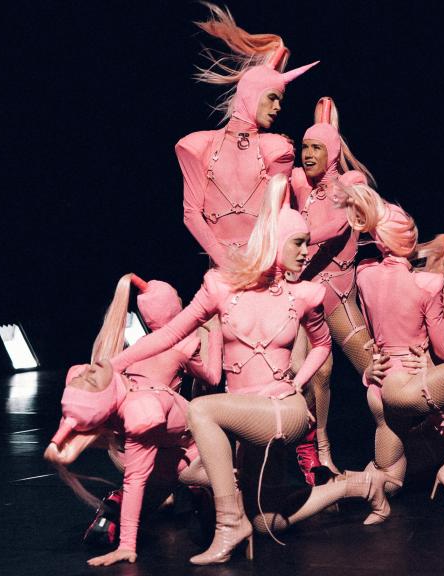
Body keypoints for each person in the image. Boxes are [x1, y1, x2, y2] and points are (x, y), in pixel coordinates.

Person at [108, 174, 341, 565]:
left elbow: (323, 345)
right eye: (299, 243)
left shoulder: (305, 295)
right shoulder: (220, 287)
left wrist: (297, 383)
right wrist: (113, 364)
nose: (306, 253)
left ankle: (229, 524)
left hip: (286, 411)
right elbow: (168, 335)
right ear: (274, 241)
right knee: (266, 518)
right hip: (245, 418)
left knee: (201, 409)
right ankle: (362, 485)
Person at [339, 183, 444, 514]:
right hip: (405, 388)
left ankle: (330, 493)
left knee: (389, 480)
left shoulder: (364, 274)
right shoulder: (428, 284)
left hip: (379, 390)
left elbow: (374, 331)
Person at [44, 275, 221, 566]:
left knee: (154, 483)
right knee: (192, 457)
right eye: (177, 295)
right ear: (173, 306)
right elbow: (213, 377)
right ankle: (202, 496)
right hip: (160, 437)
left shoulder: (137, 346)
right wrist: (213, 332)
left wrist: (62, 438)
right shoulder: (182, 345)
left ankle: (122, 503)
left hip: (125, 446)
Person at [178, 3, 317, 268]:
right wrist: (228, 266)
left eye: (280, 100)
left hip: (263, 271)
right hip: (222, 275)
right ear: (252, 95)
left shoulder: (276, 149)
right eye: (273, 98)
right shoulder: (197, 145)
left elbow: (279, 216)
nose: (278, 107)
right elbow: (191, 213)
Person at [289, 96, 376, 476]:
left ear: (333, 151)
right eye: (305, 147)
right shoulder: (297, 183)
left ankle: (410, 440)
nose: (308, 154)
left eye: (316, 148)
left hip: (339, 296)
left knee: (374, 369)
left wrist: (293, 236)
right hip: (305, 295)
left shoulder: (350, 183)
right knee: (317, 374)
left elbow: (339, 226)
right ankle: (318, 453)